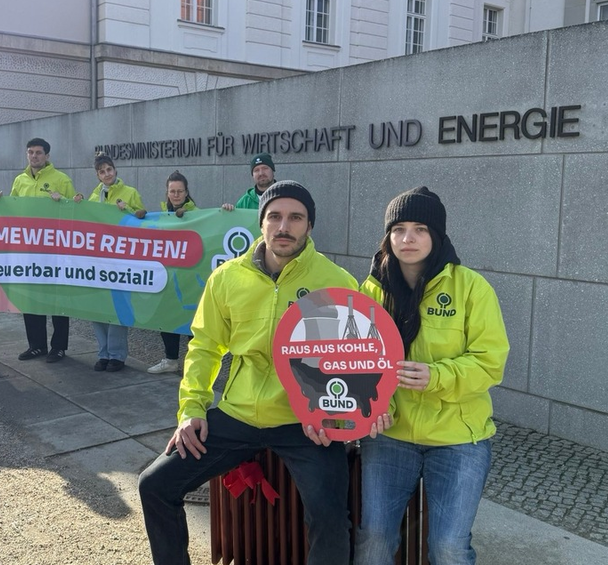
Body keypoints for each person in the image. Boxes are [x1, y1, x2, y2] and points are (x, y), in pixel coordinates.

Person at [138, 180, 391, 565]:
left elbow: (355, 361)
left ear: (310, 225)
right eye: (274, 217)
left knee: (330, 518)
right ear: (261, 223)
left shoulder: (336, 281)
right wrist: (191, 409)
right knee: (155, 485)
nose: (283, 226)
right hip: (238, 414)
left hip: (305, 423)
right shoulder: (227, 278)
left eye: (296, 218)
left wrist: (343, 417)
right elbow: (204, 346)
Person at [354, 187, 510, 565]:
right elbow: (359, 361)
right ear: (388, 236)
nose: (408, 238)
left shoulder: (471, 287)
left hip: (459, 438)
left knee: (448, 547)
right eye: (399, 229)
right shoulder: (371, 290)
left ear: (437, 235)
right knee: (373, 538)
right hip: (391, 435)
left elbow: (491, 362)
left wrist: (436, 376)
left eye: (420, 229)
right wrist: (375, 405)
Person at [0, 138, 75, 363]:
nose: (34, 156)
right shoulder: (20, 180)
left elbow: (75, 212)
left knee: (57, 300)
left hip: (55, 250)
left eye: (38, 152)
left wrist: (63, 201)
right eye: (30, 152)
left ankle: (59, 347)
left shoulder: (61, 179)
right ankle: (37, 345)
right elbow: (12, 210)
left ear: (47, 156)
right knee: (30, 298)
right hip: (28, 251)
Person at [83, 151, 146, 372]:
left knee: (117, 306)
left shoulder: (130, 192)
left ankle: (117, 355)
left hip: (120, 259)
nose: (107, 174)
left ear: (115, 170)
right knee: (97, 308)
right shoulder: (94, 196)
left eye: (109, 169)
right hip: (97, 260)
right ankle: (103, 353)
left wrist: (127, 210)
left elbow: (142, 217)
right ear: (97, 175)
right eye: (102, 172)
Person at [147, 170, 196, 374]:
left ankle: (195, 364)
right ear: (167, 193)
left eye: (179, 191)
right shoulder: (162, 215)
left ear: (186, 192)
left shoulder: (197, 214)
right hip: (166, 276)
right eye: (172, 191)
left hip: (190, 276)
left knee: (193, 321)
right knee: (167, 317)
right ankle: (170, 360)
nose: (176, 195)